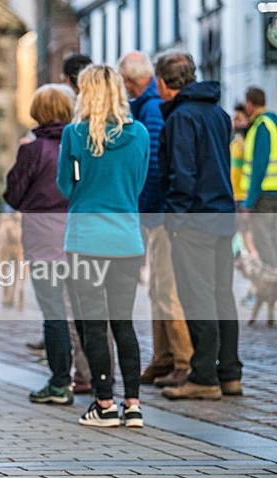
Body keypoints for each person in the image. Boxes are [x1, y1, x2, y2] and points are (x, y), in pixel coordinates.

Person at [57, 65, 150, 427]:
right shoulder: (140, 133)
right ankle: (134, 404)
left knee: (93, 326)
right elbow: (138, 183)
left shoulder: (75, 134)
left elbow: (66, 186)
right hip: (127, 239)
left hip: (85, 240)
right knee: (123, 324)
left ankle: (105, 403)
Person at [155, 51, 243, 400]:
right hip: (222, 215)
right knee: (223, 295)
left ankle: (204, 376)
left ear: (163, 83)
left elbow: (182, 175)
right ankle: (230, 373)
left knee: (197, 296)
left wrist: (174, 221)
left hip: (193, 220)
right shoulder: (219, 114)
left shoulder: (181, 118)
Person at [119, 51, 193, 389]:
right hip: (159, 211)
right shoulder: (149, 105)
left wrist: (144, 209)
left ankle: (183, 360)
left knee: (166, 288)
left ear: (133, 79)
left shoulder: (150, 108)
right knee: (159, 289)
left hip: (160, 212)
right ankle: (163, 357)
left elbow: (152, 164)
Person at [5, 84, 75, 405]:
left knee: (54, 310)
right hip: (80, 233)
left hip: (43, 236)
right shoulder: (85, 146)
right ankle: (98, 380)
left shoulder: (33, 150)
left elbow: (14, 195)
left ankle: (61, 381)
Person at [241, 87, 277, 270]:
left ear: (249, 103)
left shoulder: (261, 126)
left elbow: (259, 167)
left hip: (265, 196)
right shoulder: (273, 122)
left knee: (265, 243)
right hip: (273, 194)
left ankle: (272, 291)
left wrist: (248, 201)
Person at [230, 103, 251, 206]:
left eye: (238, 118)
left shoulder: (249, 140)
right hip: (233, 195)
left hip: (243, 196)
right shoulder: (235, 140)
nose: (235, 121)